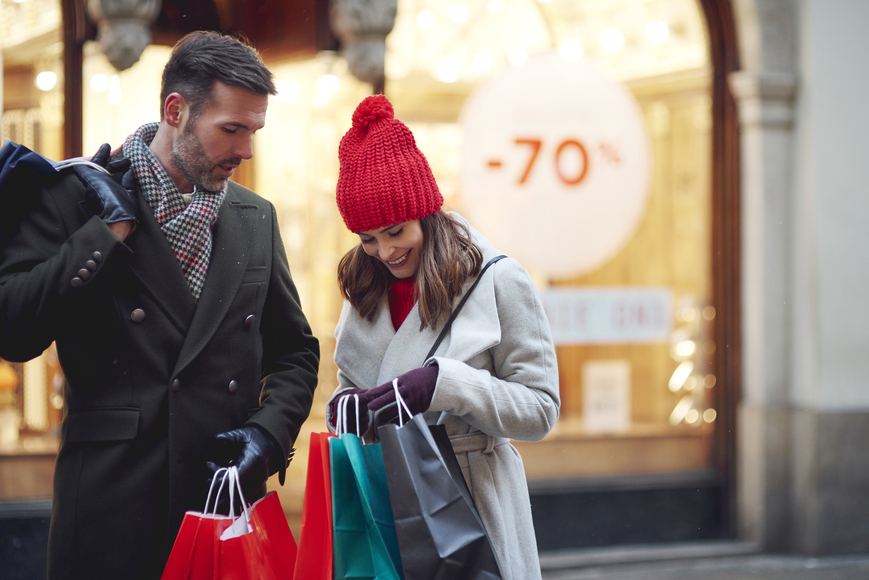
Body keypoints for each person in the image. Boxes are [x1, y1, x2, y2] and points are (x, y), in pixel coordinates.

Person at [0, 32, 319, 578]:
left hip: (222, 505)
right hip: (112, 515)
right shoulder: (75, 198)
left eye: (254, 131)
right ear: (176, 111)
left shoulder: (255, 217)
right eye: (232, 129)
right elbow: (13, 331)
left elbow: (294, 352)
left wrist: (268, 435)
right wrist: (103, 235)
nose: (246, 150)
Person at [326, 94, 560, 580]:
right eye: (367, 238)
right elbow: (355, 384)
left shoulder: (498, 279)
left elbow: (541, 410)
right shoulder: (364, 287)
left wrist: (444, 385)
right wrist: (346, 406)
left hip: (474, 509)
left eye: (395, 231)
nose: (385, 251)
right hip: (383, 504)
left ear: (425, 212)